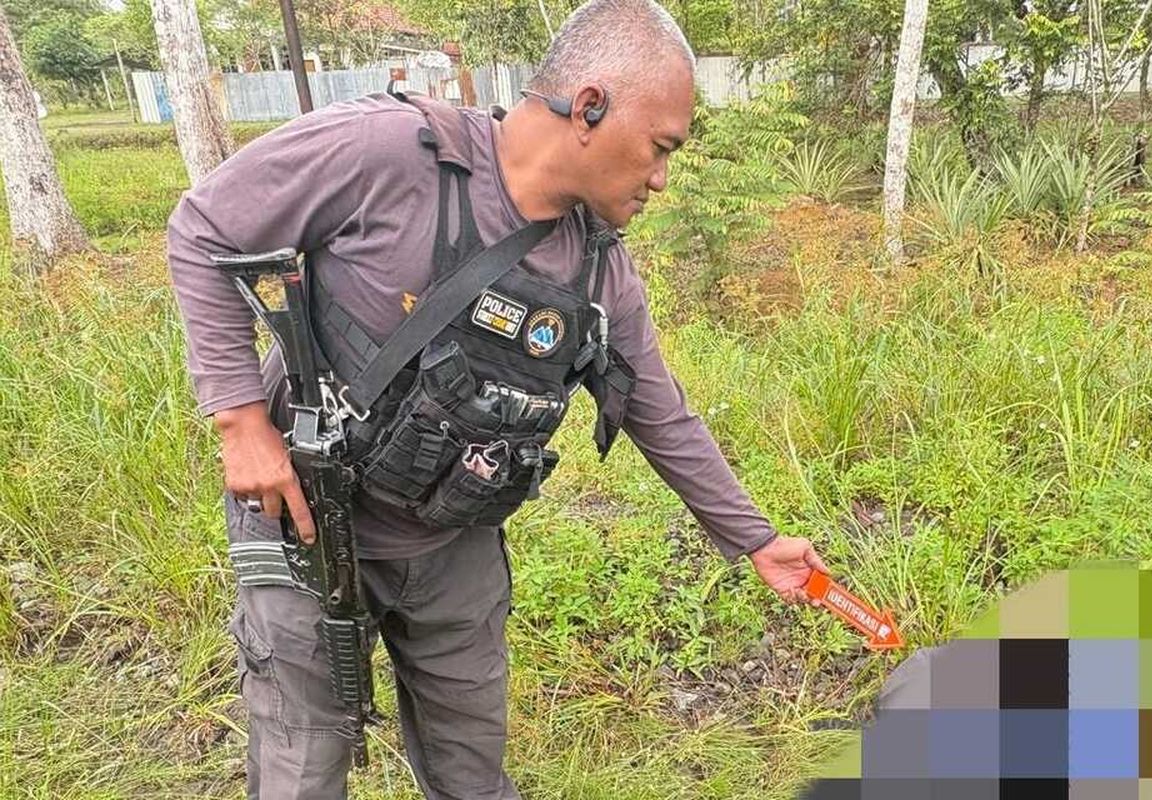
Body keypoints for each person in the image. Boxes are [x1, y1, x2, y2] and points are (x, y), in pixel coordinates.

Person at [166, 1, 830, 798]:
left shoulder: (598, 270)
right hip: (307, 525)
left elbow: (658, 409)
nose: (661, 178)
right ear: (589, 107)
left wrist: (753, 539)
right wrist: (242, 423)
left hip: (454, 545)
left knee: (472, 778)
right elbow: (205, 228)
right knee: (301, 775)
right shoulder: (388, 153)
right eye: (660, 149)